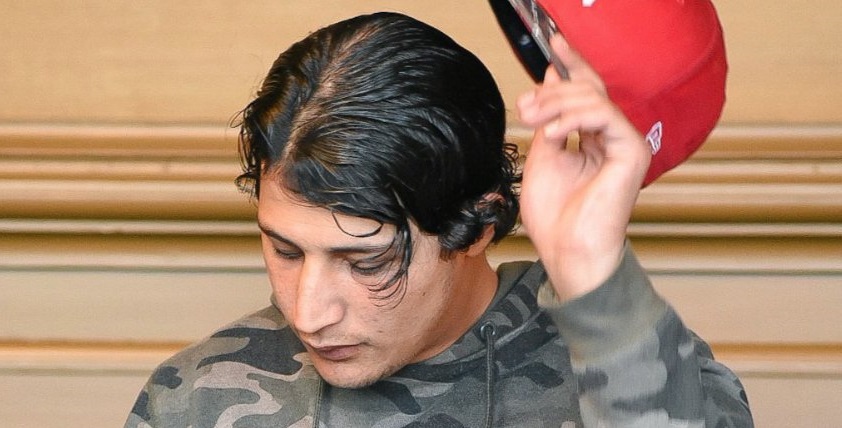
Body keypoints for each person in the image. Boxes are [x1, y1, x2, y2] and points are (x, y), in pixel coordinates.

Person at [125, 12, 752, 427]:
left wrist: (591, 268)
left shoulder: (632, 366)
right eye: (286, 252)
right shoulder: (198, 396)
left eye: (367, 261)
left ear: (479, 225)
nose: (310, 313)